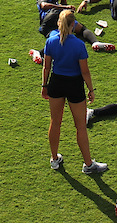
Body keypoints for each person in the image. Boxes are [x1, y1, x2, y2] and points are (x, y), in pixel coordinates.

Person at [41, 9, 108, 174]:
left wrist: (44, 86)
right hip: (74, 85)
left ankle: (54, 159)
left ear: (58, 23)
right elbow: (84, 71)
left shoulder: (51, 41)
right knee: (80, 127)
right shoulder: (78, 44)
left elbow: (46, 66)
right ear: (73, 25)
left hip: (56, 82)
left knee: (55, 122)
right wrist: (91, 89)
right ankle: (88, 164)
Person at [36, 0, 116, 53]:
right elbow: (44, 6)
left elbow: (63, 7)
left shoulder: (57, 3)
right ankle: (40, 53)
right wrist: (65, 7)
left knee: (78, 30)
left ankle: (95, 42)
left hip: (59, 21)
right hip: (49, 21)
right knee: (59, 39)